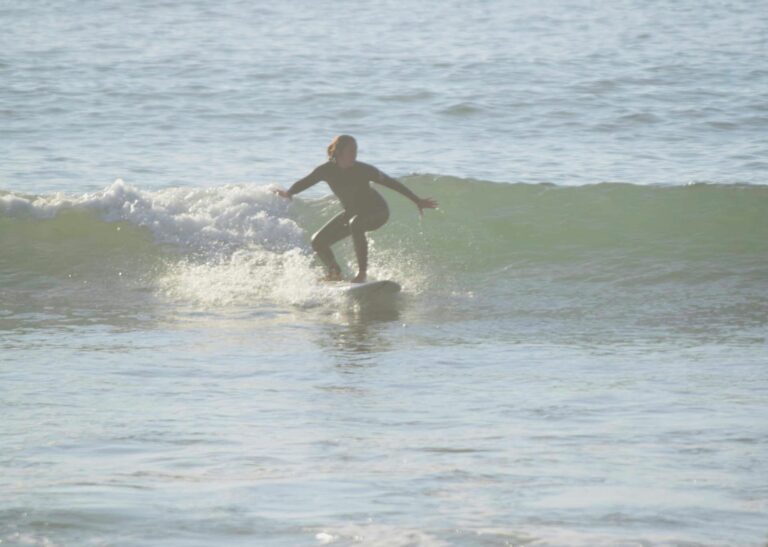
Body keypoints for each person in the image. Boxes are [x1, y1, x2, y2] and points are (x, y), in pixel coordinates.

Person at [275, 135, 437, 283]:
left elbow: (391, 182)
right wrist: (289, 193)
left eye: (356, 150)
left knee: (356, 223)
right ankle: (334, 273)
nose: (355, 154)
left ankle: (362, 273)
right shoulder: (326, 170)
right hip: (352, 212)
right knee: (318, 241)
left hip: (377, 211)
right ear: (338, 152)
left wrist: (416, 200)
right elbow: (307, 181)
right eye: (351, 150)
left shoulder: (364, 170)